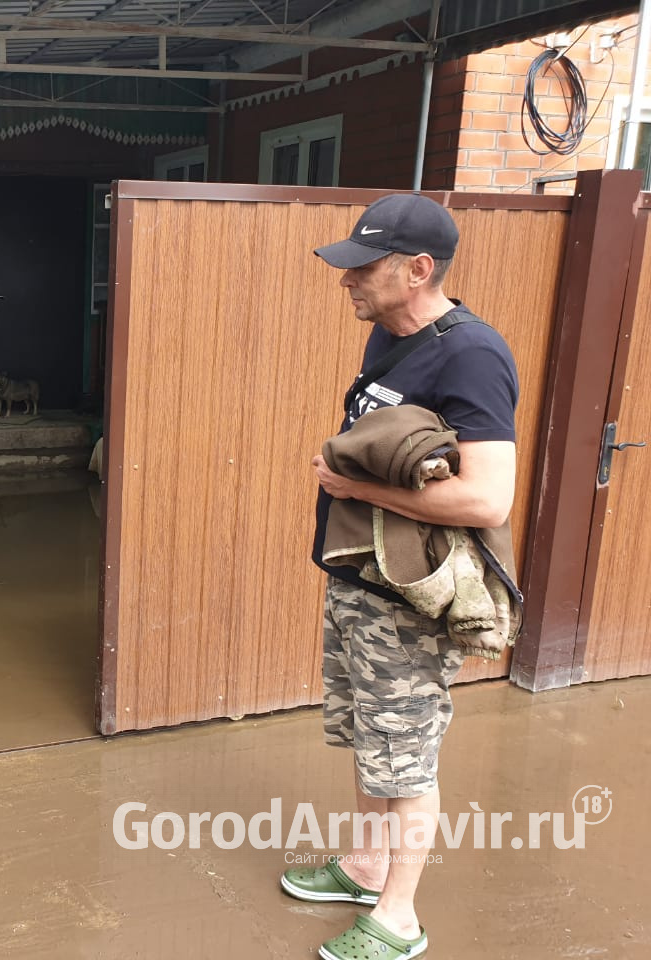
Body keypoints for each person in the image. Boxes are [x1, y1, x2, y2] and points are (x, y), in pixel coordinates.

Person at [282, 194, 519, 960]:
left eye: (364, 268)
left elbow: (488, 497)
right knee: (370, 742)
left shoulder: (472, 354)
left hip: (413, 602)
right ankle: (364, 865)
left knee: (408, 755)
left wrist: (357, 490)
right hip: (362, 583)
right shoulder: (389, 337)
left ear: (419, 270)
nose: (346, 281)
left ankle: (399, 917)